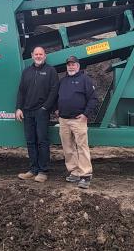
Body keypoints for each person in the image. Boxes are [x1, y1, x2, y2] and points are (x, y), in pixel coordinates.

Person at [15, 46, 59, 182]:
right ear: (32, 56)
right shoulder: (26, 72)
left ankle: (43, 171)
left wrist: (45, 108)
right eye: (36, 54)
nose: (38, 56)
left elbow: (54, 91)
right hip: (27, 112)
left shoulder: (51, 71)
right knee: (30, 141)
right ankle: (33, 169)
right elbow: (21, 91)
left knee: (42, 141)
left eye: (41, 54)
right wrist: (18, 108)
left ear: (45, 56)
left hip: (41, 112)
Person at [56, 55, 97, 189]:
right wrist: (57, 109)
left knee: (82, 147)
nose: (71, 66)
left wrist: (85, 114)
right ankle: (74, 172)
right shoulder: (63, 81)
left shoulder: (85, 79)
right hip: (64, 120)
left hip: (78, 120)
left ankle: (85, 175)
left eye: (73, 64)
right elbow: (57, 97)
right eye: (69, 64)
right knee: (68, 148)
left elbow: (93, 99)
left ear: (78, 66)